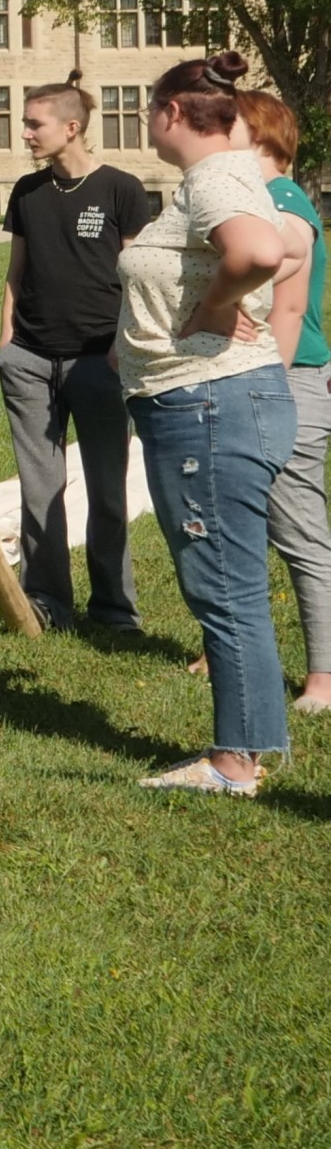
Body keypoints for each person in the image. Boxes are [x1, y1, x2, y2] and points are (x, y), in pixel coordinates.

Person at [118, 54, 291, 794]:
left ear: (171, 113)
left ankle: (233, 763)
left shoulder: (216, 176)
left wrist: (218, 308)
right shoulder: (224, 176)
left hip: (210, 404)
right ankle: (242, 749)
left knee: (225, 586)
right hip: (208, 400)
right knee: (225, 582)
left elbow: (261, 250)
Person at [0, 80, 150, 632]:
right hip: (31, 361)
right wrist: (7, 343)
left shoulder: (121, 189)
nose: (25, 133)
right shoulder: (27, 191)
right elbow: (15, 272)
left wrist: (118, 347)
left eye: (34, 123)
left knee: (107, 491)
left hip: (97, 361)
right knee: (41, 492)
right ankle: (47, 604)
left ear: (71, 127)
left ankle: (114, 610)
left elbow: (138, 282)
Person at [234, 92, 331, 712]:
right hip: (250, 374)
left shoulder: (284, 200)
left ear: (262, 136)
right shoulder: (248, 199)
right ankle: (239, 644)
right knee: (243, 522)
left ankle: (324, 674)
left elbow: (288, 304)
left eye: (230, 126)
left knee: (299, 530)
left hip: (289, 378)